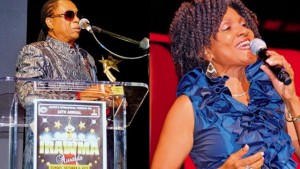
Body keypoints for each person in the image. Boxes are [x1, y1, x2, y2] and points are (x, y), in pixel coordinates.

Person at [151, 0, 300, 168]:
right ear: (205, 50)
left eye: (244, 24)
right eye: (227, 28)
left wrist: (291, 98)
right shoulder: (192, 105)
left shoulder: (270, 90)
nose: (243, 31)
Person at [15, 0, 121, 168]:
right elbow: (27, 97)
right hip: (49, 152)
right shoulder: (35, 51)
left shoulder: (86, 57)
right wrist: (77, 98)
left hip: (89, 153)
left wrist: (112, 103)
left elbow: (95, 102)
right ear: (50, 22)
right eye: (70, 15)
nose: (77, 20)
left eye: (78, 15)